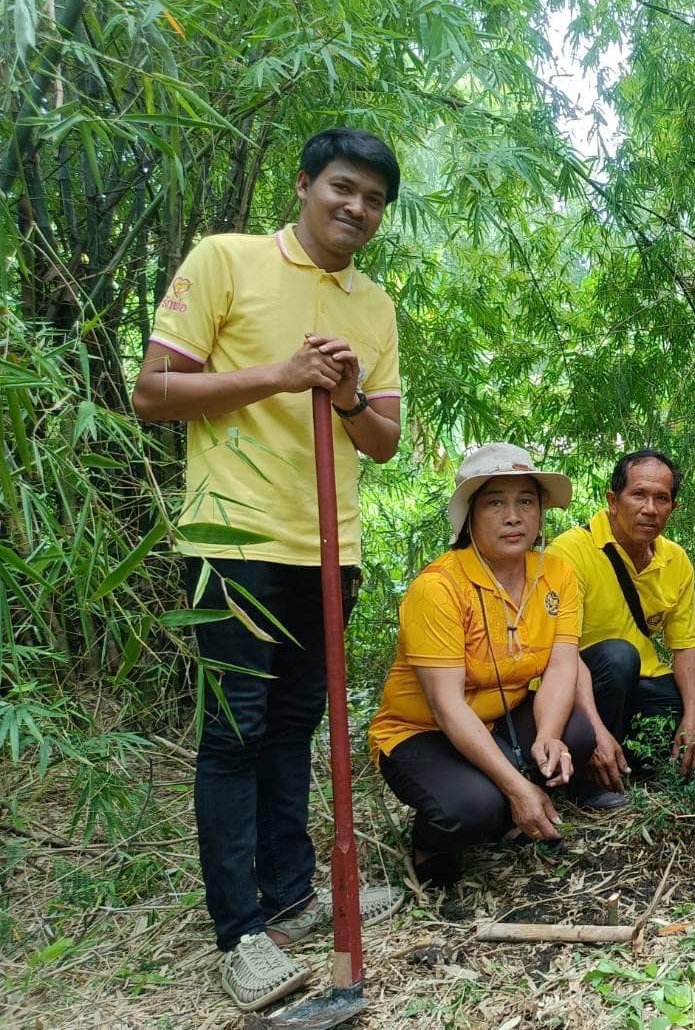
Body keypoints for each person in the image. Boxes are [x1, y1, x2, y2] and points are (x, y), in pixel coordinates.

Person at [131, 128, 405, 1011]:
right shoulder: (226, 260)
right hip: (233, 542)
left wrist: (349, 395)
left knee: (293, 726)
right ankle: (238, 931)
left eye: (373, 200)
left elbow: (385, 441)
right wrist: (282, 374)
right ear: (304, 185)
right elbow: (152, 393)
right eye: (343, 188)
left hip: (332, 546)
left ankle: (291, 892)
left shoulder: (375, 305)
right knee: (236, 732)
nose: (356, 209)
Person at [369, 444, 595, 889]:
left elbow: (562, 666)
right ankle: (432, 845)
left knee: (577, 736)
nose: (514, 516)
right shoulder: (438, 588)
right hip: (423, 731)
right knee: (471, 807)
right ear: (469, 517)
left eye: (526, 502)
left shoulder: (559, 574)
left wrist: (548, 735)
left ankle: (507, 803)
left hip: (499, 718)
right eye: (496, 503)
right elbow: (446, 705)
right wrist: (515, 787)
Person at [548, 450, 695, 795]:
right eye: (639, 495)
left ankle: (628, 758)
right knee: (619, 656)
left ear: (672, 508)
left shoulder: (675, 560)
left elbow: (687, 645)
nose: (650, 509)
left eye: (661, 498)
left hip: (640, 682)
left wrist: (694, 718)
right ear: (613, 501)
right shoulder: (571, 552)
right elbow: (561, 654)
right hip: (579, 683)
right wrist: (597, 731)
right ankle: (590, 767)